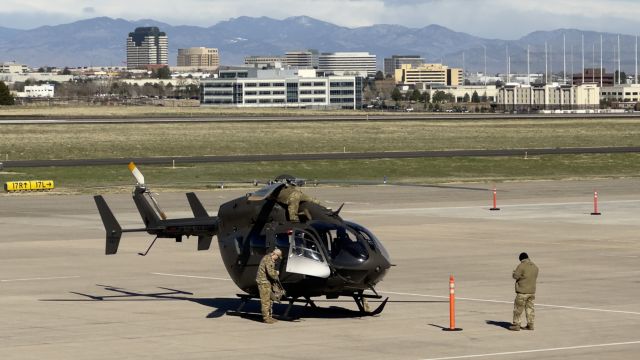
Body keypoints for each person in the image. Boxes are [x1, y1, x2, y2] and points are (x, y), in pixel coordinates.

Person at [509, 252, 539, 331]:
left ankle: (516, 324)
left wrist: (514, 273)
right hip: (532, 291)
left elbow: (515, 276)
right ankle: (530, 324)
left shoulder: (521, 266)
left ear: (521, 259)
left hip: (522, 292)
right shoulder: (535, 266)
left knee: (518, 309)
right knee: (530, 308)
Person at [256, 248, 282, 323]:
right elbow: (270, 273)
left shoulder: (269, 258)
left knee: (270, 300)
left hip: (267, 282)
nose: (277, 259)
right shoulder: (268, 260)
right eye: (277, 257)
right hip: (263, 282)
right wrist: (276, 273)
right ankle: (266, 318)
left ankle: (269, 316)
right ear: (275, 254)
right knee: (266, 301)